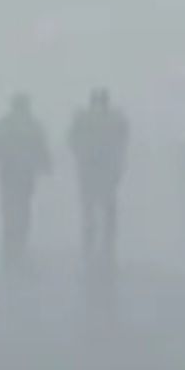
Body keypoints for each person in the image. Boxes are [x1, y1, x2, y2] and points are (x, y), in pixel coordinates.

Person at [0, 93, 51, 270]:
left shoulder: (4, 124)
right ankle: (21, 236)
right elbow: (41, 147)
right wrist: (45, 164)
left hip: (9, 170)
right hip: (26, 172)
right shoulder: (33, 125)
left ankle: (10, 236)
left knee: (8, 204)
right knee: (24, 204)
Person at [68, 88, 129, 263]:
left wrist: (80, 154)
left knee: (89, 202)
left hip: (88, 167)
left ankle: (90, 232)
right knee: (108, 202)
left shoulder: (82, 118)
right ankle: (107, 237)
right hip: (107, 167)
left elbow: (72, 139)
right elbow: (123, 139)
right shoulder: (116, 118)